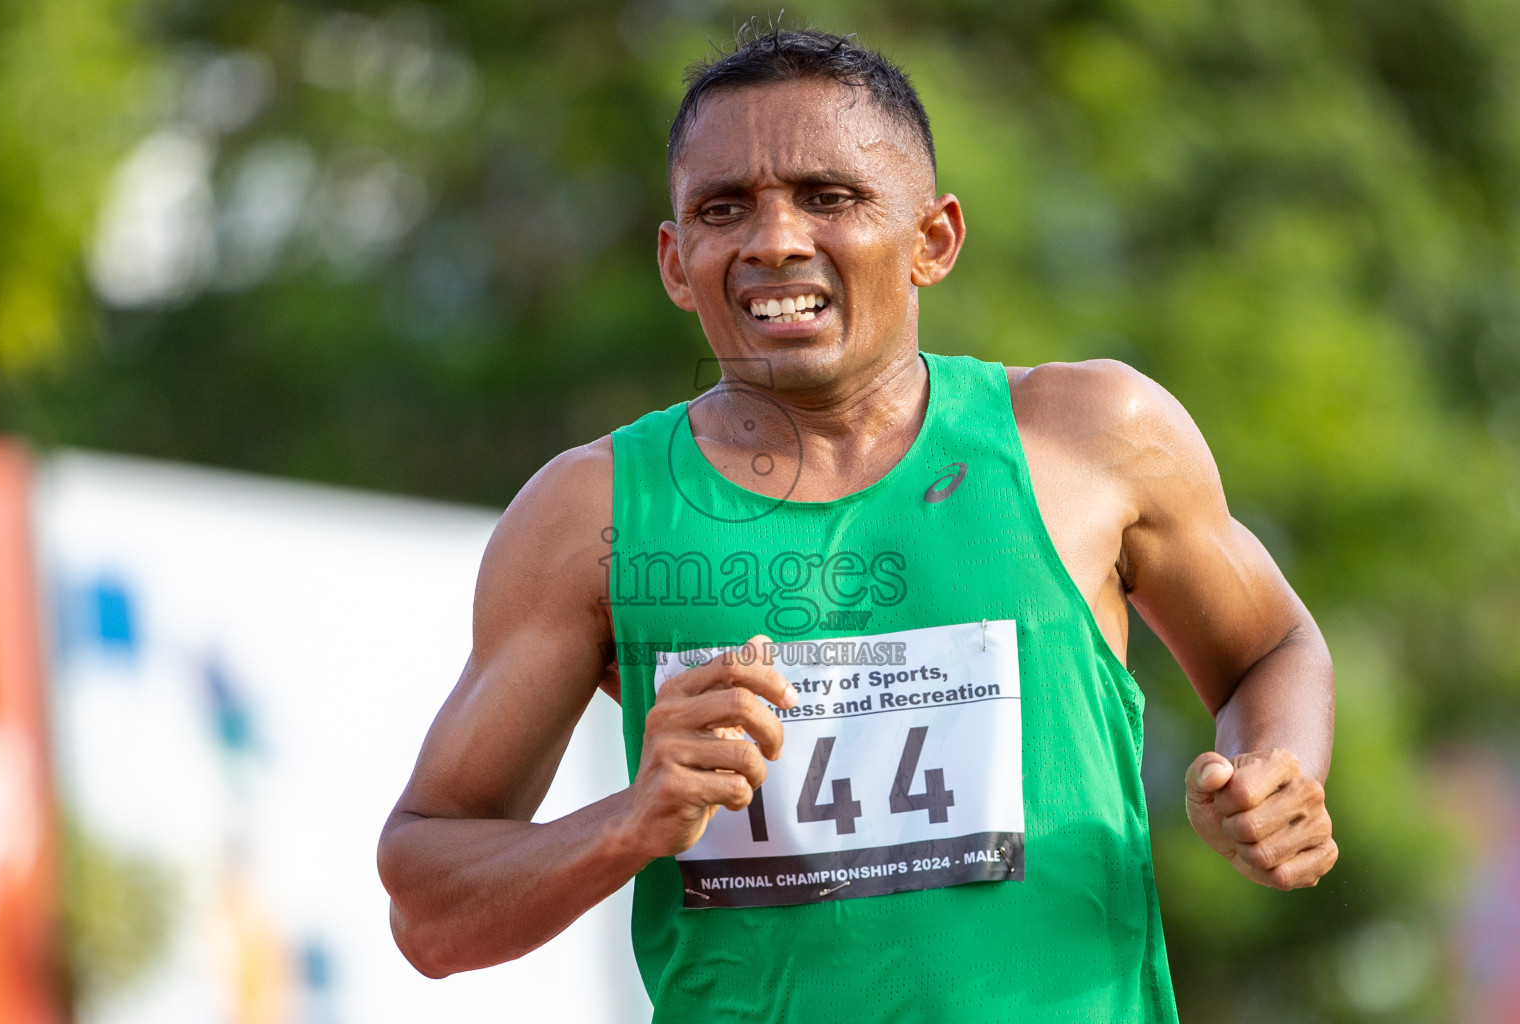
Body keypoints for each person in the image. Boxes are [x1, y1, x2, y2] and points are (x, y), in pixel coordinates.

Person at [377, 25, 1337, 1023]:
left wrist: (1281, 773)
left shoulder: (1093, 437)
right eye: (723, 207)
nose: (775, 240)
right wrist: (631, 819)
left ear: (934, 239)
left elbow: (1271, 646)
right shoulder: (591, 515)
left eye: (829, 196)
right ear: (675, 260)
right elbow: (429, 910)